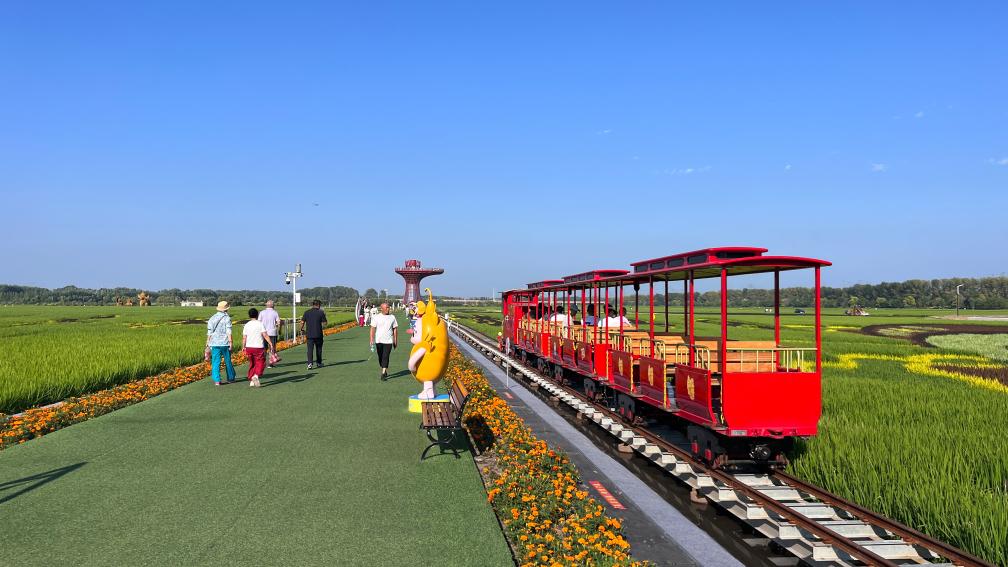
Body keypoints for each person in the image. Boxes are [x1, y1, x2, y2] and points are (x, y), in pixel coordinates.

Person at [205, 301, 236, 386]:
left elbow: (209, 332)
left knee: (215, 362)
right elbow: (229, 331)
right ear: (226, 309)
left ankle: (217, 380)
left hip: (214, 343)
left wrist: (207, 343)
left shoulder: (212, 318)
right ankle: (230, 378)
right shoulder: (227, 318)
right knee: (228, 361)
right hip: (225, 343)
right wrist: (231, 342)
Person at [243, 307, 273, 387]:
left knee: (252, 363)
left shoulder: (247, 325)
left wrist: (243, 346)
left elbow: (244, 337)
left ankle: (251, 380)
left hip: (249, 347)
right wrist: (270, 343)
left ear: (249, 315)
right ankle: (256, 376)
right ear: (257, 315)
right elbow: (265, 335)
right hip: (258, 347)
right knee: (261, 362)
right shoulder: (260, 324)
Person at [369, 302, 399, 381]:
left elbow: (395, 329)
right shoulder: (376, 317)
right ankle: (384, 369)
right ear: (381, 309)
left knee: (386, 356)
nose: (388, 309)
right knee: (380, 357)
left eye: (388, 307)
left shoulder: (392, 317)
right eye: (386, 308)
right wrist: (371, 339)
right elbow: (372, 328)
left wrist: (395, 340)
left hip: (388, 341)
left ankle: (383, 373)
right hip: (379, 340)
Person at [300, 299, 327, 369]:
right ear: (318, 305)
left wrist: (301, 329)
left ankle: (309, 363)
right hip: (318, 334)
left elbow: (302, 322)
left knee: (310, 349)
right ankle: (319, 363)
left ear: (313, 304)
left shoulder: (307, 312)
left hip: (309, 334)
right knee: (319, 349)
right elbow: (325, 324)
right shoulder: (321, 312)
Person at [258, 300, 282, 367]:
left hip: (263, 333)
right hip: (272, 332)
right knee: (272, 347)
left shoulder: (262, 312)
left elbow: (259, 322)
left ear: (266, 305)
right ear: (272, 305)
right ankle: (271, 362)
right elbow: (279, 322)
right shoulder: (275, 312)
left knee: (264, 348)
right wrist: (279, 330)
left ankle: (262, 363)